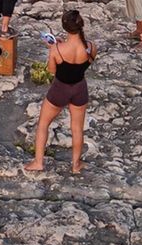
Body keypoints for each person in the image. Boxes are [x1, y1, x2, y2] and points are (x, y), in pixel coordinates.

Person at [24, 10, 96, 174]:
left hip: (60, 89)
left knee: (43, 124)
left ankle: (38, 162)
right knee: (77, 128)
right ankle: (76, 165)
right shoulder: (91, 47)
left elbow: (51, 71)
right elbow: (85, 61)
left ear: (65, 27)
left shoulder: (56, 49)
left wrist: (55, 48)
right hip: (80, 88)